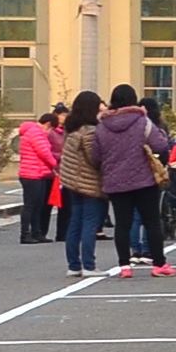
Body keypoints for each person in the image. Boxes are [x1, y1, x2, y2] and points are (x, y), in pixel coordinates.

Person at [101, 83, 176, 276]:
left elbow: (96, 154)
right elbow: (160, 145)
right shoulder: (142, 122)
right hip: (143, 179)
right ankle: (159, 264)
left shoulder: (103, 125)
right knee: (151, 221)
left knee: (122, 223)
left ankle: (124, 266)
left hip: (115, 180)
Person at [58, 89, 108, 274]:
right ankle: (89, 264)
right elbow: (94, 158)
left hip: (72, 181)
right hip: (89, 181)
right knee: (90, 223)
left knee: (75, 222)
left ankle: (74, 265)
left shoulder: (71, 128)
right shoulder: (90, 131)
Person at [14, 106, 61, 244]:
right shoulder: (36, 132)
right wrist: (55, 165)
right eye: (51, 128)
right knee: (31, 205)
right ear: (47, 124)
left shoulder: (33, 132)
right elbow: (44, 152)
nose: (50, 131)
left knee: (38, 204)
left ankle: (36, 232)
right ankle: (26, 233)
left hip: (36, 173)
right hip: (31, 174)